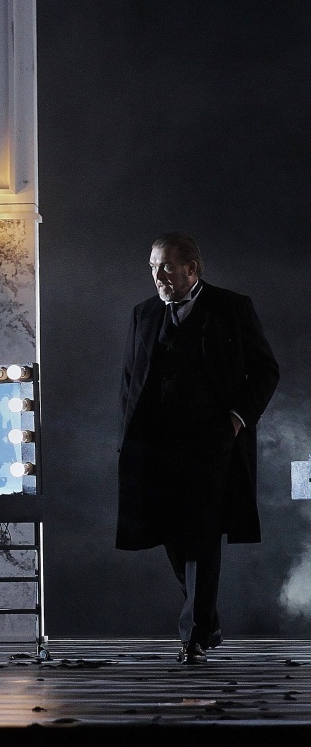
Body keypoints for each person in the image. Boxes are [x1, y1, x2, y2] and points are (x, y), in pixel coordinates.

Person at [118, 232, 279, 665]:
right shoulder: (143, 313)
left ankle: (193, 637)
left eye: (166, 266)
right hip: (157, 447)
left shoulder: (232, 307)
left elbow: (266, 370)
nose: (158, 275)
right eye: (153, 267)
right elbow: (130, 382)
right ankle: (206, 621)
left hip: (212, 446)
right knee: (172, 536)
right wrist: (128, 441)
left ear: (192, 268)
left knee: (202, 536)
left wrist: (236, 419)